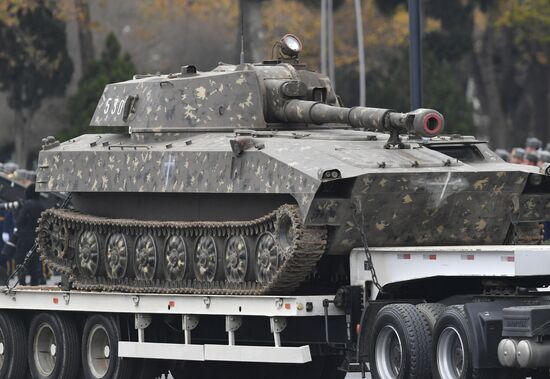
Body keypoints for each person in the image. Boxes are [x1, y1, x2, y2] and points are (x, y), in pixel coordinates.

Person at [15, 184, 45, 285]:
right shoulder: (41, 206)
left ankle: (22, 284)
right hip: (36, 239)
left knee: (21, 262)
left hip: (24, 239)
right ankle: (34, 285)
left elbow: (20, 221)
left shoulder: (26, 205)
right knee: (34, 264)